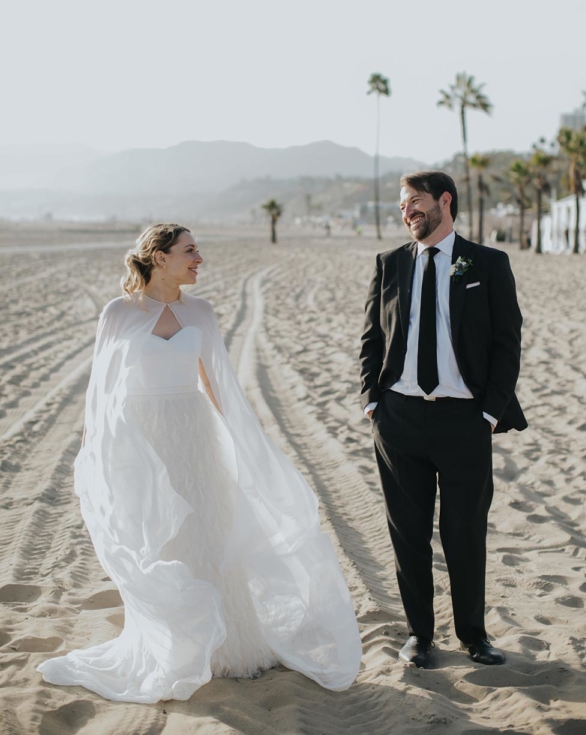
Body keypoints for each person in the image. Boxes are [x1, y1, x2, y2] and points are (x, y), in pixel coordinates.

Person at [39, 224, 361, 703]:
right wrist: (94, 455)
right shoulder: (119, 313)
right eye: (189, 251)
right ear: (158, 257)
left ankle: (226, 646)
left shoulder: (202, 313)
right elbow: (99, 394)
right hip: (145, 442)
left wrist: (245, 446)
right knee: (163, 539)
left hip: (195, 436)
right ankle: (173, 644)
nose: (199, 259)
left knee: (210, 534)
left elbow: (218, 385)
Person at [359, 172, 527, 669]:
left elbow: (507, 341)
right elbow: (371, 337)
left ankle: (473, 635)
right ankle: (419, 636)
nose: (406, 211)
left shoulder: (487, 263)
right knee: (407, 532)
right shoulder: (389, 264)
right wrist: (373, 401)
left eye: (415, 202)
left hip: (465, 421)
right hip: (399, 420)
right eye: (402, 205)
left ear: (444, 202)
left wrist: (490, 412)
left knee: (464, 531)